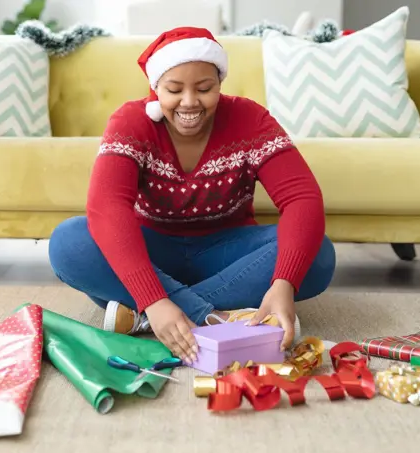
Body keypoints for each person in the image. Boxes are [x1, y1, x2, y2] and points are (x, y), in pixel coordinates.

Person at [48, 27, 336, 365]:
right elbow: (107, 207)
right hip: (152, 251)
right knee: (69, 242)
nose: (189, 102)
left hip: (229, 253)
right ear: (155, 88)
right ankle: (213, 317)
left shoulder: (250, 118)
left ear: (219, 85)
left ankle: (142, 316)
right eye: (174, 90)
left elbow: (301, 197)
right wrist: (155, 299)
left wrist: (284, 283)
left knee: (318, 254)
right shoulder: (130, 121)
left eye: (204, 89)